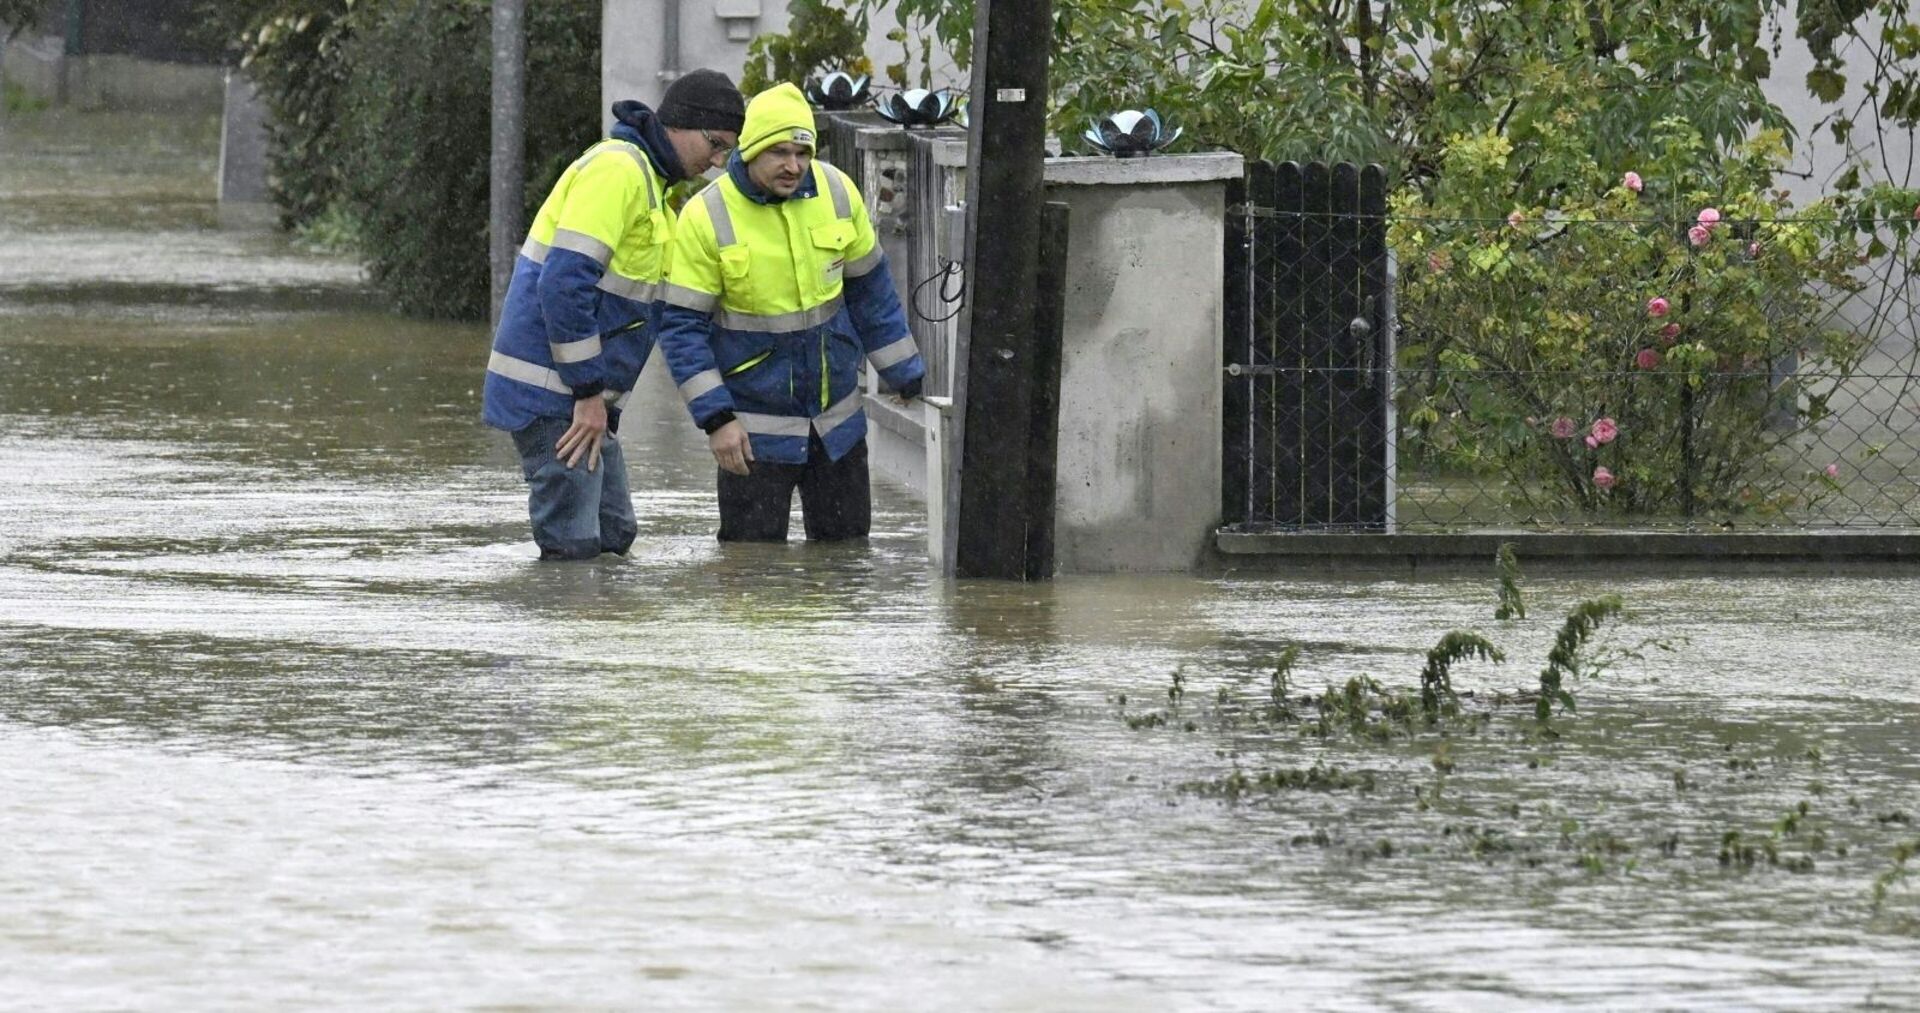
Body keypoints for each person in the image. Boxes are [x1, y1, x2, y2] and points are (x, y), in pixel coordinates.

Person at [481, 70, 744, 559]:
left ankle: (598, 626)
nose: (716, 162)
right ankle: (569, 627)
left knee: (614, 538)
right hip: (556, 397)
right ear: (681, 125)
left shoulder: (653, 190)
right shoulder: (618, 171)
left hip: (579, 401)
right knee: (574, 551)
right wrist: (586, 393)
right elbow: (563, 283)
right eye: (715, 144)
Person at [657, 83, 925, 543]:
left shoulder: (837, 192)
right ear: (752, 149)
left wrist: (905, 373)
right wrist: (716, 420)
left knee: (846, 567)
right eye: (779, 152)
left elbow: (870, 292)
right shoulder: (706, 215)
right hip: (750, 438)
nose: (794, 165)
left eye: (802, 152)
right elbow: (681, 329)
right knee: (754, 580)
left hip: (837, 429)